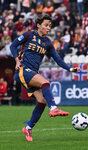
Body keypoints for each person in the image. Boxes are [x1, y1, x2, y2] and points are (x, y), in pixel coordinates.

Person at [10, 14, 80, 142]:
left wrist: (70, 69)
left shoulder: (47, 42)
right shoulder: (28, 35)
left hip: (32, 72)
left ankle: (28, 128)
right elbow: (12, 46)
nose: (48, 28)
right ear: (38, 25)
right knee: (45, 82)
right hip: (23, 70)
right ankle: (53, 108)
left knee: (41, 101)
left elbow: (57, 59)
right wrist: (16, 61)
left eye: (50, 26)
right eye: (46, 25)